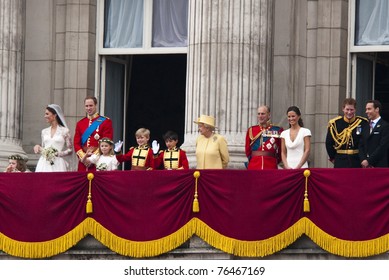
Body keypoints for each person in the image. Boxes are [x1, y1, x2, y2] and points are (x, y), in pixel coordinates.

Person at [325, 98, 368, 168]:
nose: (349, 112)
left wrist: (364, 158)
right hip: (340, 160)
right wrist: (333, 158)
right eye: (347, 109)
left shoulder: (362, 123)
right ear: (343, 109)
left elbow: (364, 142)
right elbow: (329, 143)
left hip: (357, 160)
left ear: (355, 110)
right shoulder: (335, 123)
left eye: (351, 110)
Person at [74, 96, 113, 171]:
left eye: (91, 105)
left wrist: (91, 159)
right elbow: (76, 143)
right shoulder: (80, 123)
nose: (89, 108)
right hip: (83, 162)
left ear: (96, 105)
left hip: (98, 161)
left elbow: (107, 141)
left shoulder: (106, 122)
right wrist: (84, 158)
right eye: (86, 106)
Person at [34, 104, 74, 172]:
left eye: (47, 114)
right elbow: (44, 147)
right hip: (44, 162)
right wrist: (38, 147)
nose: (45, 116)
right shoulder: (44, 131)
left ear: (55, 115)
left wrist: (57, 154)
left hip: (58, 163)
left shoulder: (65, 131)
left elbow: (70, 150)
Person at [359, 100, 389, 168]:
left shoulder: (385, 126)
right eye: (366, 109)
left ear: (377, 109)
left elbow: (382, 147)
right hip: (365, 166)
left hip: (379, 165)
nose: (366, 112)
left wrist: (369, 161)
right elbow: (360, 145)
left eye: (369, 109)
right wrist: (363, 160)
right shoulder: (365, 126)